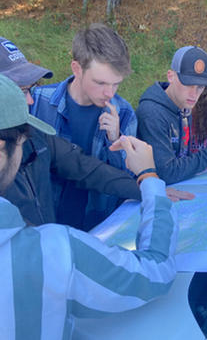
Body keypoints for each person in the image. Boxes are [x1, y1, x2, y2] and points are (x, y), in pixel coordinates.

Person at [0, 76, 178, 339]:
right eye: (22, 138)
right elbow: (155, 273)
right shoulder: (54, 253)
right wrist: (149, 178)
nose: (30, 99)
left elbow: (83, 166)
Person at [0, 38, 192, 230]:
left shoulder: (32, 131)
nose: (30, 100)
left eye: (30, 89)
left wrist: (147, 187)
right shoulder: (38, 106)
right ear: (77, 69)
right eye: (22, 91)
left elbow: (84, 167)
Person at [30, 24, 143, 227]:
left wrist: (115, 141)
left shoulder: (124, 113)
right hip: (44, 225)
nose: (110, 93)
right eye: (100, 83)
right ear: (77, 69)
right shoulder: (37, 102)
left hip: (97, 225)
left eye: (116, 83)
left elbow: (127, 181)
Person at [136, 46, 207, 185]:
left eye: (200, 87)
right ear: (171, 76)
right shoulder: (152, 114)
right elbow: (168, 173)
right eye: (188, 84)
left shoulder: (184, 105)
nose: (194, 94)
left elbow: (183, 156)